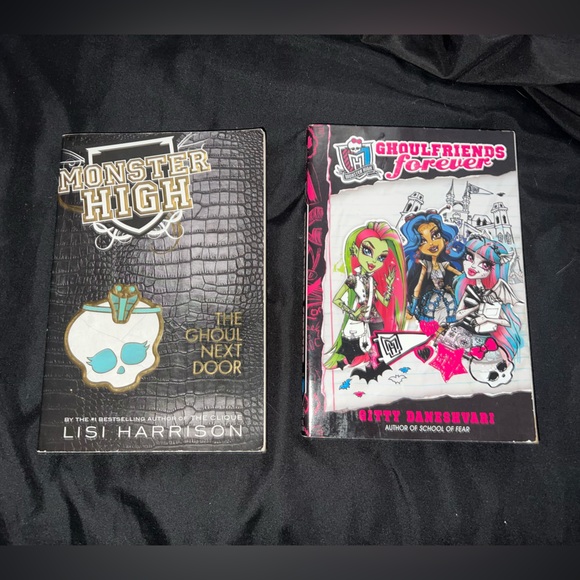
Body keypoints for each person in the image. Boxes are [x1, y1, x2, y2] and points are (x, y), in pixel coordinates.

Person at [324, 220, 406, 370]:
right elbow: (336, 299)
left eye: (381, 257)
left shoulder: (372, 280)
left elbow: (384, 301)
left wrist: (389, 286)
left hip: (374, 318)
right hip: (359, 319)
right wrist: (352, 313)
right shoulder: (353, 279)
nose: (374, 261)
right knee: (354, 349)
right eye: (367, 251)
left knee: (377, 345)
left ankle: (374, 362)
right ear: (356, 250)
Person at [401, 211, 462, 325]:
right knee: (431, 307)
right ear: (417, 246)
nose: (431, 244)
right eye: (423, 241)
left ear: (444, 238)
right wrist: (412, 309)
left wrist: (467, 279)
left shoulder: (444, 264)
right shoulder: (425, 265)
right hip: (431, 296)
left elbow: (458, 273)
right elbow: (418, 285)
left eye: (435, 236)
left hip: (445, 294)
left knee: (451, 304)